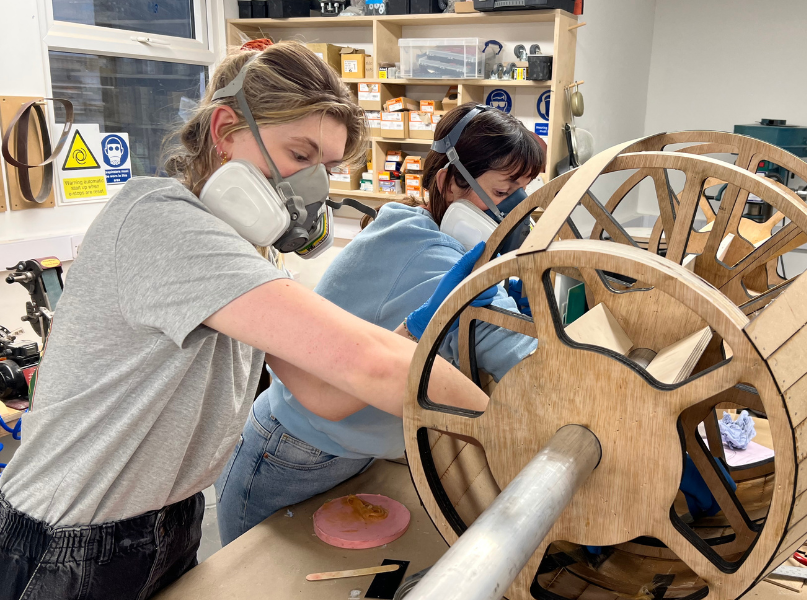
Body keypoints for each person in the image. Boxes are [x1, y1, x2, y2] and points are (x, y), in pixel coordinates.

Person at [0, 41, 489, 600]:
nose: (314, 187)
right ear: (226, 129)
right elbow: (370, 366)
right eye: (298, 155)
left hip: (162, 519)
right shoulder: (160, 221)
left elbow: (323, 394)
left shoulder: (248, 251)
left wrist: (406, 339)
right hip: (71, 536)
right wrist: (507, 429)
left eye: (325, 167)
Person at [215, 103, 545, 545]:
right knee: (250, 580)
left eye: (525, 191)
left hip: (337, 444)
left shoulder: (405, 221)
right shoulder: (431, 256)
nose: (518, 210)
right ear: (449, 181)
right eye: (505, 192)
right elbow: (526, 364)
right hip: (294, 453)